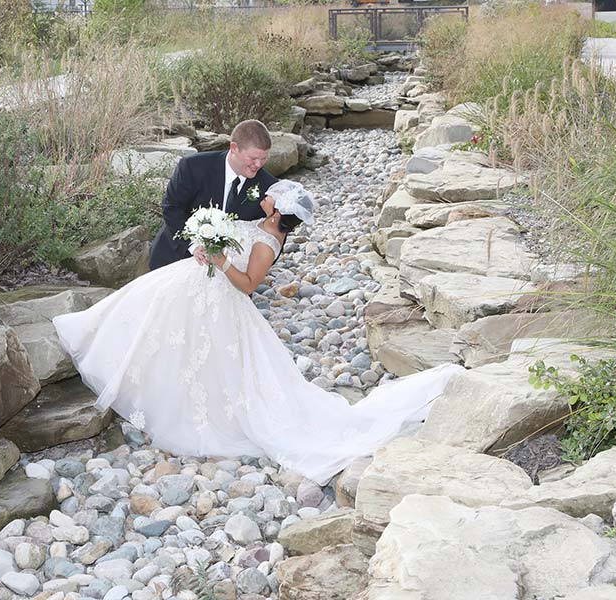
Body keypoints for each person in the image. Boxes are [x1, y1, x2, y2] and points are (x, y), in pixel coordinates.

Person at [53, 180, 464, 485]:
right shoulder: (263, 224)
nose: (265, 191)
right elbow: (232, 248)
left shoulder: (270, 240)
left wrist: (218, 257)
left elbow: (248, 284)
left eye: (272, 192)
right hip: (198, 284)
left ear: (278, 208)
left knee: (201, 357)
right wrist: (207, 247)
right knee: (147, 317)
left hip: (222, 300)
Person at [148, 120, 279, 270]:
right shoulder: (193, 167)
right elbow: (171, 207)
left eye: (264, 159)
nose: (258, 165)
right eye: (253, 158)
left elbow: (272, 238)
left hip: (228, 275)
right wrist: (193, 245)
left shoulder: (268, 186)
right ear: (234, 148)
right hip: (174, 259)